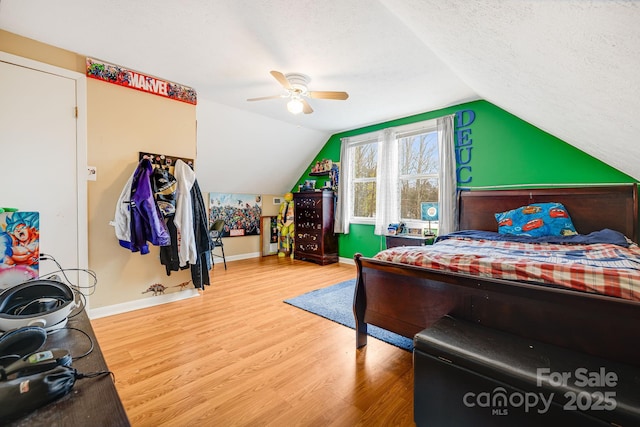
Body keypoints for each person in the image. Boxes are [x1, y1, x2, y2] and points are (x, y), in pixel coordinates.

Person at [276, 193, 295, 258]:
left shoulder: (294, 204)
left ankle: (294, 250)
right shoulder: (283, 204)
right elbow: (280, 213)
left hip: (292, 222)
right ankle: (285, 249)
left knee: (293, 235)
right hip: (284, 222)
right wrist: (279, 224)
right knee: (283, 234)